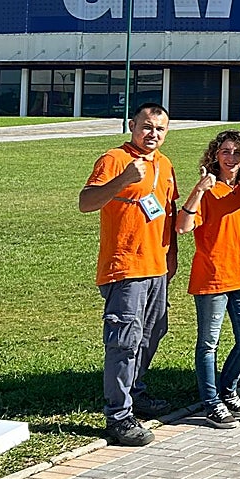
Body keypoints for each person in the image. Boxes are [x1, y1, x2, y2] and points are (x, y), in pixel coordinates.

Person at [79, 103, 179, 446]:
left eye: (160, 129)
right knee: (124, 341)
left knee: (153, 332)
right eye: (147, 127)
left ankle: (135, 391)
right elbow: (86, 201)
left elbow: (167, 213)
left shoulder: (164, 165)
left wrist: (172, 258)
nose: (153, 134)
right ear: (133, 125)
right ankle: (118, 415)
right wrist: (123, 180)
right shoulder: (114, 159)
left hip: (156, 267)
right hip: (125, 268)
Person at [176, 129, 240, 429]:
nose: (231, 157)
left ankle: (227, 389)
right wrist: (199, 189)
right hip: (212, 277)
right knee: (208, 343)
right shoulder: (208, 189)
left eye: (237, 152)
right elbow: (183, 226)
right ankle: (211, 402)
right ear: (215, 155)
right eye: (225, 151)